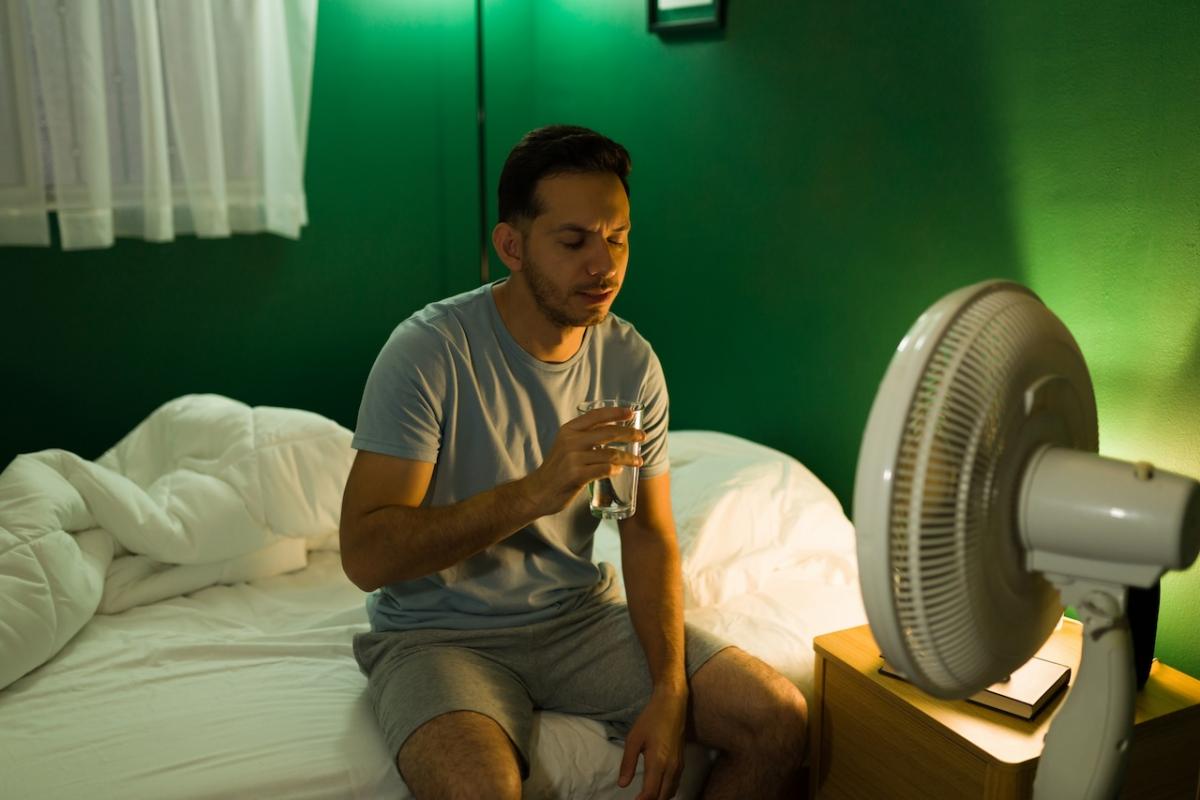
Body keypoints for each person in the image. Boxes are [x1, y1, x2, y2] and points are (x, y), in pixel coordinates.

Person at [340, 124, 807, 800]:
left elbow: (648, 534)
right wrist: (536, 491)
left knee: (778, 720)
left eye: (618, 238)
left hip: (577, 620)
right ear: (512, 245)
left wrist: (670, 689)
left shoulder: (629, 361)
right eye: (574, 241)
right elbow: (366, 557)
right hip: (437, 636)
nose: (604, 265)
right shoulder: (429, 353)